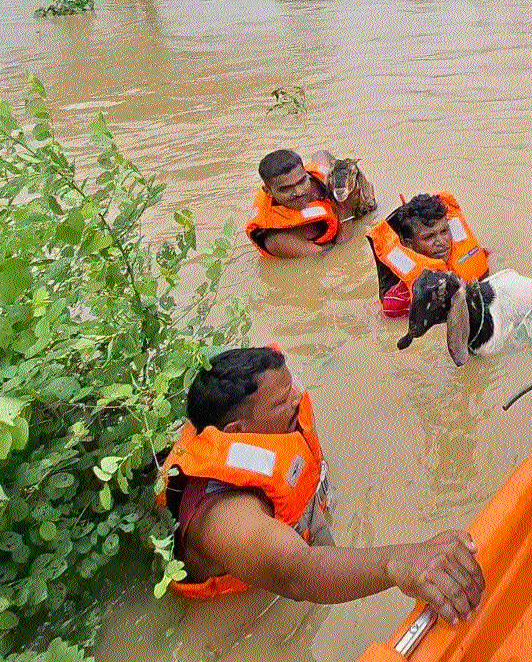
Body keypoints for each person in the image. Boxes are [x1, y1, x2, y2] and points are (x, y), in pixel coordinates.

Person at [157, 345, 485, 620]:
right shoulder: (223, 518)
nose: (298, 402)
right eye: (282, 401)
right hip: (237, 619)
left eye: (292, 389)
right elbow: (298, 573)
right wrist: (398, 563)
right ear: (237, 434)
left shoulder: (274, 435)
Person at [366, 192, 490, 318]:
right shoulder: (399, 301)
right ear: (409, 245)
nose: (441, 242)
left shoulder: (474, 254)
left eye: (444, 231)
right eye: (429, 237)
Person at [245, 149, 376, 260]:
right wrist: (345, 209)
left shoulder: (319, 178)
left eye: (302, 181)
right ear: (268, 191)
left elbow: (322, 154)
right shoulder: (279, 240)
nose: (299, 192)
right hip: (337, 236)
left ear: (305, 173)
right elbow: (339, 257)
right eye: (286, 189)